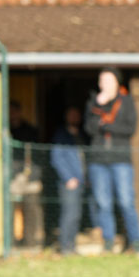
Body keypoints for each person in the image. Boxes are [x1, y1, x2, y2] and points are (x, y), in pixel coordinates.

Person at [84, 67, 139, 254]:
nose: (104, 84)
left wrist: (106, 124)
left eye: (108, 80)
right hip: (98, 161)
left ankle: (136, 243)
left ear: (117, 83)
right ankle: (108, 243)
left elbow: (130, 128)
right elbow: (89, 128)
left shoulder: (126, 102)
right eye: (102, 81)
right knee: (103, 204)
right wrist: (99, 109)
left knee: (126, 202)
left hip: (120, 160)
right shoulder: (93, 103)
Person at [50, 106, 87, 255]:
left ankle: (71, 246)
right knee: (69, 214)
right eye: (71, 115)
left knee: (76, 215)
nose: (74, 118)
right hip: (69, 183)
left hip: (81, 181)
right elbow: (56, 158)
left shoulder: (81, 134)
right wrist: (68, 178)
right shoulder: (61, 135)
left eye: (76, 115)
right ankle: (66, 247)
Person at [8, 100, 43, 249]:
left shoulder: (30, 131)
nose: (13, 114)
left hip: (30, 176)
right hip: (11, 177)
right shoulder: (5, 130)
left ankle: (31, 243)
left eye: (15, 111)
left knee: (31, 209)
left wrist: (27, 174)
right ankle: (10, 243)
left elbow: (35, 154)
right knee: (9, 210)